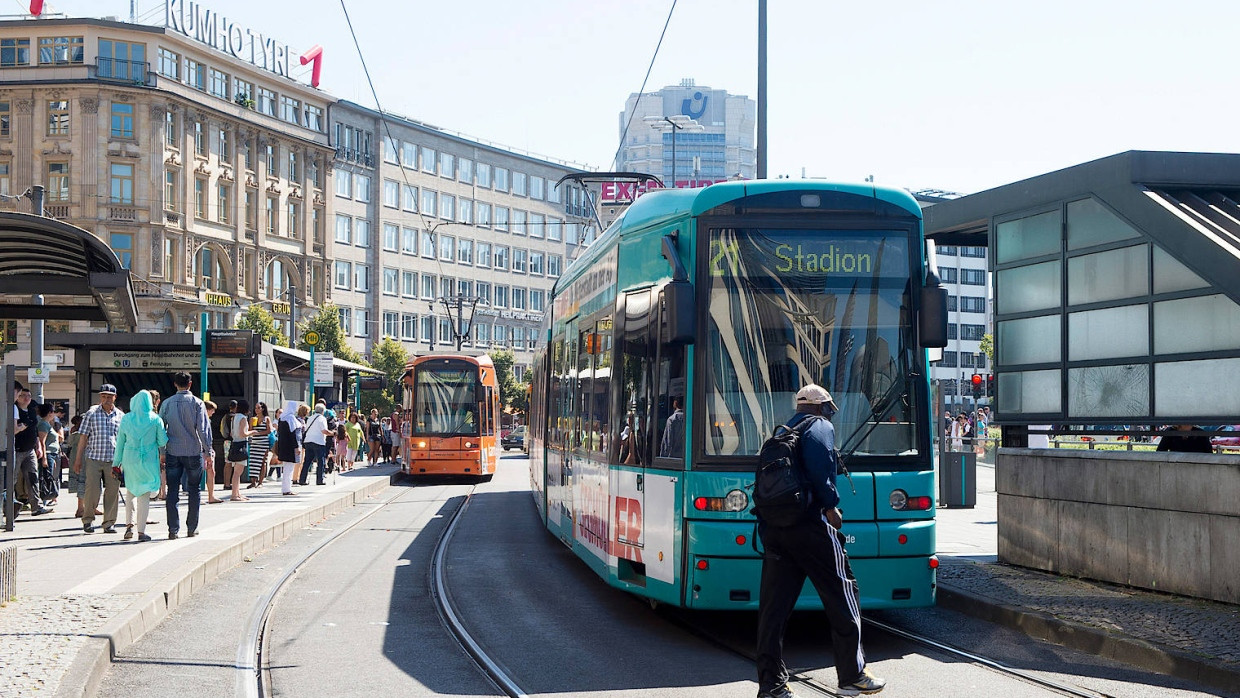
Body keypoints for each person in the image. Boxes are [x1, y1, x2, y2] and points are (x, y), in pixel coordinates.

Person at [755, 384, 885, 698]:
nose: (830, 415)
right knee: (844, 592)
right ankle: (852, 675)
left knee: (773, 609)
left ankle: (771, 686)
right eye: (829, 409)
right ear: (821, 407)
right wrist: (831, 507)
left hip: (774, 528)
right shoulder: (819, 427)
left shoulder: (781, 433)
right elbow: (821, 468)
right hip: (810, 526)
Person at [159, 371, 212, 538]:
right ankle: (191, 527)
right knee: (194, 489)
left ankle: (173, 529)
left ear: (175, 384)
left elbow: (161, 430)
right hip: (193, 450)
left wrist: (162, 452)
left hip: (173, 451)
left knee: (172, 489)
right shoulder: (197, 403)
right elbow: (203, 429)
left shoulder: (166, 404)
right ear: (190, 384)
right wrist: (208, 451)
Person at [115, 390, 167, 543]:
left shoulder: (126, 419)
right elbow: (163, 441)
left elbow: (120, 444)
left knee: (131, 491)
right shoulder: (155, 419)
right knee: (144, 493)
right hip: (148, 459)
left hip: (129, 458)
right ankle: (141, 531)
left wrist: (115, 464)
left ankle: (129, 525)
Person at [74, 384, 125, 533]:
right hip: (94, 458)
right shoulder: (91, 413)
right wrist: (78, 460)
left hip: (113, 460)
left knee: (112, 492)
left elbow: (124, 440)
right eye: (104, 396)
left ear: (115, 397)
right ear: (100, 397)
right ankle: (88, 520)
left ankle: (109, 523)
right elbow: (83, 438)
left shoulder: (121, 416)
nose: (106, 399)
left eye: (109, 396)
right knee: (92, 491)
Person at [14, 386, 51, 516]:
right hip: (16, 449)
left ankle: (36, 506)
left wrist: (39, 446)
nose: (26, 398)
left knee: (33, 477)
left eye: (29, 396)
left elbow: (35, 430)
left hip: (30, 450)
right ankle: (10, 507)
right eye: (23, 395)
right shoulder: (14, 410)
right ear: (17, 397)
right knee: (12, 479)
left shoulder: (31, 411)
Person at [299, 403, 332, 485]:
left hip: (308, 441)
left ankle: (302, 479)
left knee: (307, 461)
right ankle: (320, 480)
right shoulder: (322, 418)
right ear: (323, 411)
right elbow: (324, 431)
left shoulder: (310, 418)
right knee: (321, 461)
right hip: (318, 442)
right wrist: (332, 433)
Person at [227, 399, 253, 501]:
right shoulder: (243, 418)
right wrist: (253, 432)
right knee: (238, 472)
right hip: (241, 444)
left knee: (236, 470)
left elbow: (232, 433)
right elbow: (243, 433)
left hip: (235, 444)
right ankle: (234, 495)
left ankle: (237, 493)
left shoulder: (234, 418)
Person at [276, 401, 303, 495]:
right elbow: (293, 434)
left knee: (286, 468)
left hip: (283, 446)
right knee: (289, 468)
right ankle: (287, 489)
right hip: (290, 448)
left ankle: (286, 488)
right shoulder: (290, 418)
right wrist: (296, 447)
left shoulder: (282, 418)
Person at [37, 403, 61, 508]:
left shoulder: (47, 423)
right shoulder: (43, 424)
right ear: (50, 413)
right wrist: (45, 459)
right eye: (53, 412)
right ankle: (44, 499)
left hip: (52, 454)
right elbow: (42, 442)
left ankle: (46, 499)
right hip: (47, 454)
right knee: (46, 477)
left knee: (49, 476)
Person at [246, 402, 273, 489]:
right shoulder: (253, 419)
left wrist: (258, 433)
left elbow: (269, 430)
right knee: (253, 462)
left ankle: (260, 482)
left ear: (263, 409)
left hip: (263, 442)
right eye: (256, 408)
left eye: (258, 408)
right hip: (255, 442)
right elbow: (250, 430)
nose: (256, 410)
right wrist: (253, 431)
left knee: (262, 462)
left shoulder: (266, 419)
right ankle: (253, 481)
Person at [203, 400, 222, 504]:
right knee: (209, 472)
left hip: (206, 449)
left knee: (211, 472)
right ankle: (210, 496)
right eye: (212, 410)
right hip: (205, 449)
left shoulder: (207, 420)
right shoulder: (204, 420)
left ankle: (211, 495)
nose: (213, 413)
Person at [148, 390, 165, 502]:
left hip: (141, 451)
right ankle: (161, 492)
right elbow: (161, 438)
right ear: (158, 401)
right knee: (160, 471)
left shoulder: (136, 416)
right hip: (155, 450)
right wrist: (162, 453)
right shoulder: (157, 417)